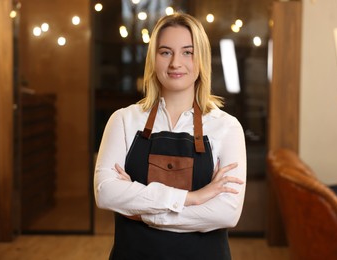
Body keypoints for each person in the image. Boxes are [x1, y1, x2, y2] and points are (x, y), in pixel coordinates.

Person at [94, 12, 247, 260]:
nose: (176, 63)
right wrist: (192, 198)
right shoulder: (123, 120)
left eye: (188, 52)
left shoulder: (227, 127)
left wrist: (140, 211)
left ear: (202, 59)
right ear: (153, 59)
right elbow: (106, 193)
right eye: (166, 52)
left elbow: (225, 213)